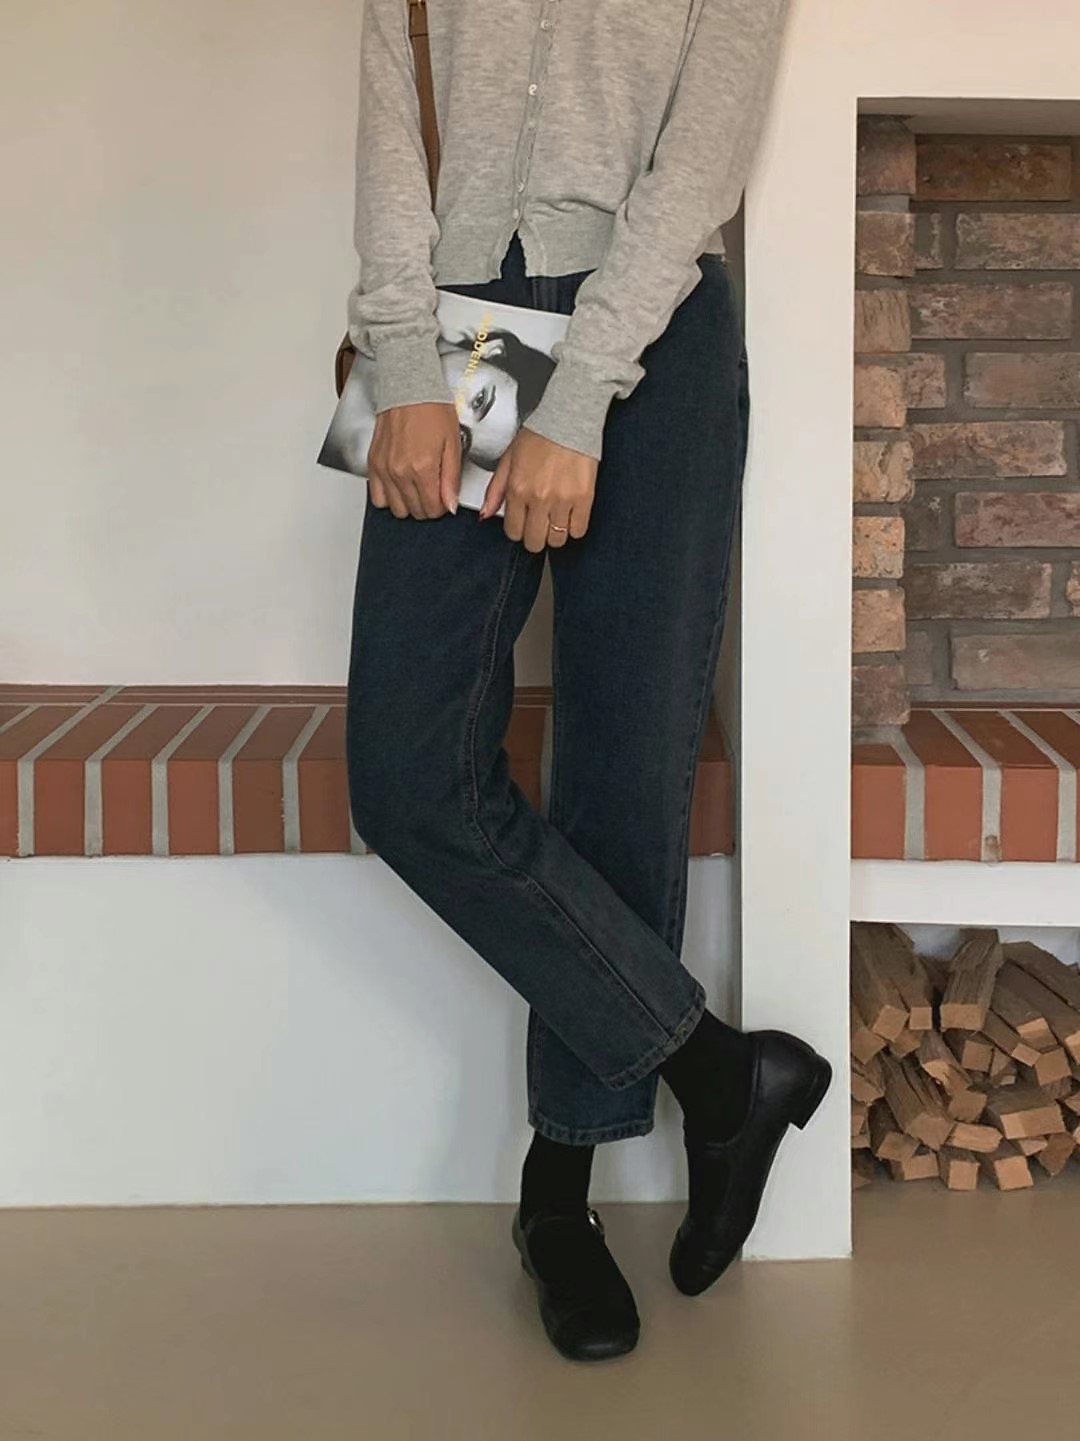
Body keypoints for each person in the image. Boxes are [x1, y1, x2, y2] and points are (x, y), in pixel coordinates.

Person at [343, 0, 832, 1363]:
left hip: (653, 334)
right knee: (406, 776)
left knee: (624, 764)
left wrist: (581, 396)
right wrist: (404, 361)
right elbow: (392, 117)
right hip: (458, 336)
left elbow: (703, 152)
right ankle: (722, 1074)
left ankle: (557, 1197)